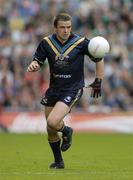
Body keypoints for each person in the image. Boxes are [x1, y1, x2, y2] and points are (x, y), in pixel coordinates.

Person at [27, 13, 104, 169]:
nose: (66, 30)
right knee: (51, 129)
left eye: (68, 27)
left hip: (73, 88)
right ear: (55, 27)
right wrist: (34, 65)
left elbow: (99, 57)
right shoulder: (46, 42)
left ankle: (67, 131)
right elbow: (37, 60)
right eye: (62, 27)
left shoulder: (81, 42)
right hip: (54, 89)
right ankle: (58, 161)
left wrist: (98, 81)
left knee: (53, 122)